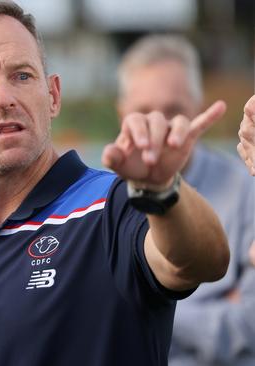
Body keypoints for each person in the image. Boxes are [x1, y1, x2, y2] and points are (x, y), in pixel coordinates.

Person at [0, 2, 230, 365]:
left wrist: (163, 191)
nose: (3, 99)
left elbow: (201, 263)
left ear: (53, 96)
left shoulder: (114, 206)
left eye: (22, 76)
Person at [117, 35, 255, 366]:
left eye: (174, 110)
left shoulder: (247, 186)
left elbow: (248, 327)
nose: (160, 125)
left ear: (198, 108)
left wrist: (133, 309)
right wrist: (213, 309)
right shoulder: (102, 198)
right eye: (144, 111)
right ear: (122, 113)